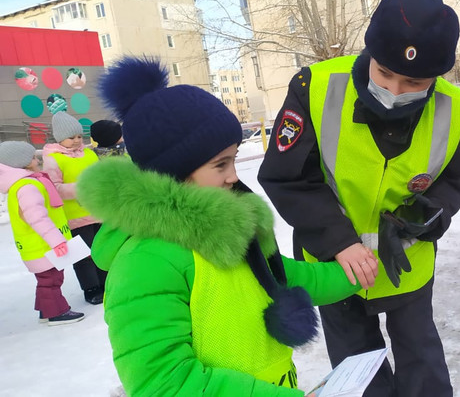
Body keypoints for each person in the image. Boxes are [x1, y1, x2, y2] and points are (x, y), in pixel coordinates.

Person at [76, 56, 376, 396]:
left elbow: (288, 277)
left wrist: (361, 269)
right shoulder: (145, 262)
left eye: (233, 160)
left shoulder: (224, 233)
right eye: (220, 165)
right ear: (173, 169)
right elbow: (164, 383)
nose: (234, 176)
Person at [258, 0, 460, 397]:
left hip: (406, 265)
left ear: (437, 76)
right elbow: (285, 177)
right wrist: (338, 241)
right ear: (370, 54)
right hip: (333, 266)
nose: (395, 92)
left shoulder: (458, 107)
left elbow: (457, 177)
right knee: (357, 369)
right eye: (384, 74)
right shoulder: (315, 87)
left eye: (413, 81)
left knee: (422, 360)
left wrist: (429, 216)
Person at [0, 141, 85, 326]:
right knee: (51, 280)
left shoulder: (27, 183)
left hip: (40, 244)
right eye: (32, 157)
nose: (36, 159)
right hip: (43, 245)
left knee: (47, 279)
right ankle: (56, 312)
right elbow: (36, 217)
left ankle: (45, 310)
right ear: (19, 162)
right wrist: (57, 241)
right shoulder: (27, 186)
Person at [43, 111, 105, 304]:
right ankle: (91, 288)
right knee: (83, 255)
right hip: (75, 215)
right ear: (60, 138)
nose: (77, 140)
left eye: (79, 136)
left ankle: (107, 282)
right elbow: (54, 188)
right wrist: (82, 188)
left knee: (103, 249)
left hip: (99, 211)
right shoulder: (54, 159)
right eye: (72, 138)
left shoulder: (89, 153)